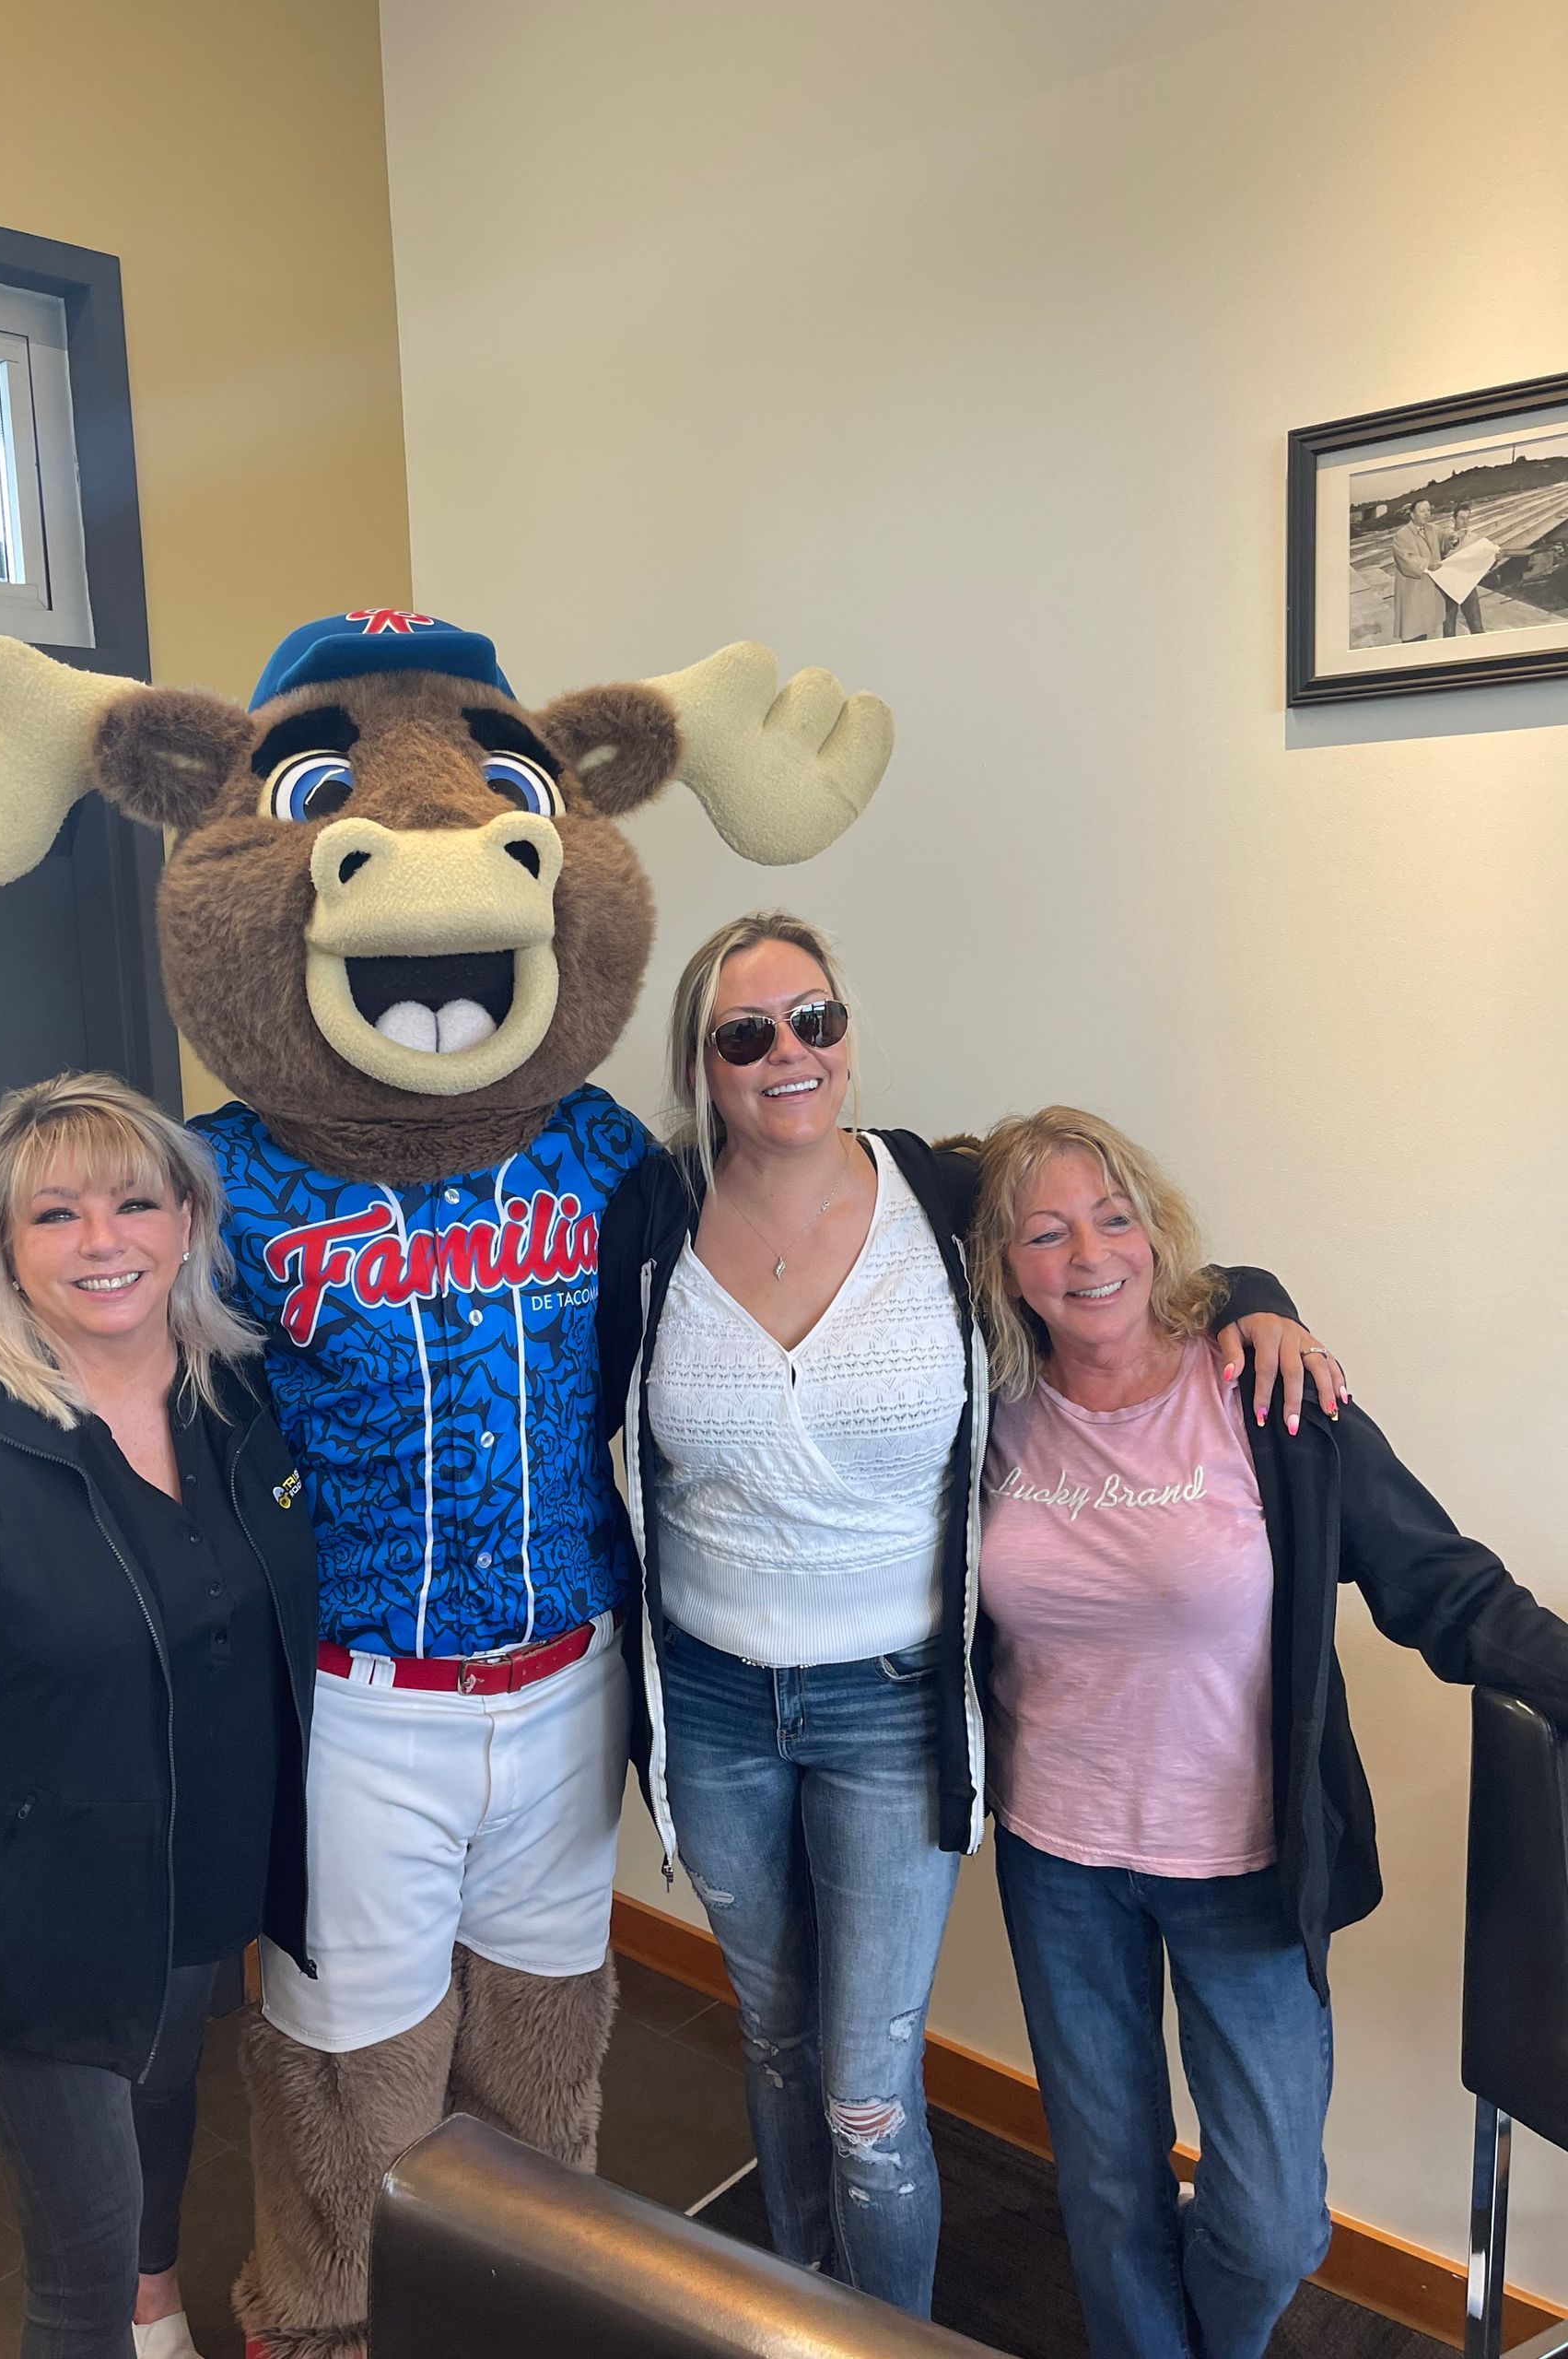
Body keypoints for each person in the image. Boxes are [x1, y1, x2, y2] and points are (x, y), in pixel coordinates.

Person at [596, 916, 1335, 2318]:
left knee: (869, 2090)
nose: (789, 1052)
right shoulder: (651, 1215)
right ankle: (791, 2308)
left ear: (846, 1030)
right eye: (747, 1033)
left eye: (814, 1019)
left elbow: (1100, 1245)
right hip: (709, 1697)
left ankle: (886, 2341)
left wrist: (1261, 1298)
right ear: (703, 1063)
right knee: (774, 2039)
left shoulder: (940, 1194)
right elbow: (575, 1408)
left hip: (890, 1705)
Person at [965, 1105, 1568, 2359]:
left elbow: (1438, 1582)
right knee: (1111, 2187)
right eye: (1046, 1232)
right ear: (1002, 1267)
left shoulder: (1263, 1389)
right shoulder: (988, 1403)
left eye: (1115, 1218)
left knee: (1274, 2222)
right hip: (1057, 1859)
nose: (1091, 1255)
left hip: (1242, 1866)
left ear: (1158, 1229)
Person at [0, 1074, 318, 2359]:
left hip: (188, 1883)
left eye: (134, 1204)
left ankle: (161, 2316)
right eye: (55, 1214)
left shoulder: (234, 1397)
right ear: (0, 1244)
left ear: (187, 1224)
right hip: (31, 1932)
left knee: (164, 2116)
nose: (103, 1242)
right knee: (79, 2267)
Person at [1389, 498, 1446, 641]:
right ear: (1412, 514)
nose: (1427, 514)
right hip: (1411, 589)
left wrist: (1453, 538)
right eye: (1422, 511)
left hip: (1427, 588)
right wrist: (1427, 564)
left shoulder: (1432, 529)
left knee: (1425, 627)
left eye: (1428, 510)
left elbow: (1444, 539)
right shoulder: (1402, 535)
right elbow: (1406, 558)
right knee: (1412, 631)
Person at [1442, 501, 1494, 635]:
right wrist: (1452, 540)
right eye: (1461, 518)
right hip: (1448, 587)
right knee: (1449, 629)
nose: (1465, 522)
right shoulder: (1445, 537)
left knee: (1477, 627)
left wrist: (1495, 558)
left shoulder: (1475, 538)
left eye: (1467, 518)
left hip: (1468, 586)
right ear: (1454, 519)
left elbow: (1484, 559)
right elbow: (1438, 555)